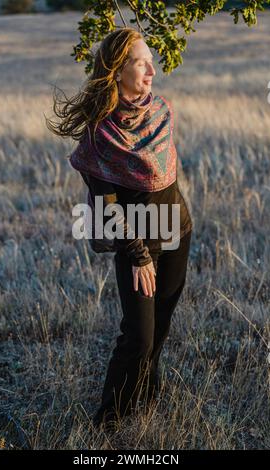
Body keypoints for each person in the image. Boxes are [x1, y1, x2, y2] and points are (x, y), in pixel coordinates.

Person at [46, 27, 193, 435]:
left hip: (176, 231)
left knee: (160, 329)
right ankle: (107, 424)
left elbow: (167, 179)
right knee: (138, 337)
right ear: (117, 69)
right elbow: (108, 207)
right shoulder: (99, 133)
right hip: (138, 242)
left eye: (150, 60)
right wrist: (139, 254)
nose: (152, 71)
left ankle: (146, 401)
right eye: (140, 62)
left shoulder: (161, 110)